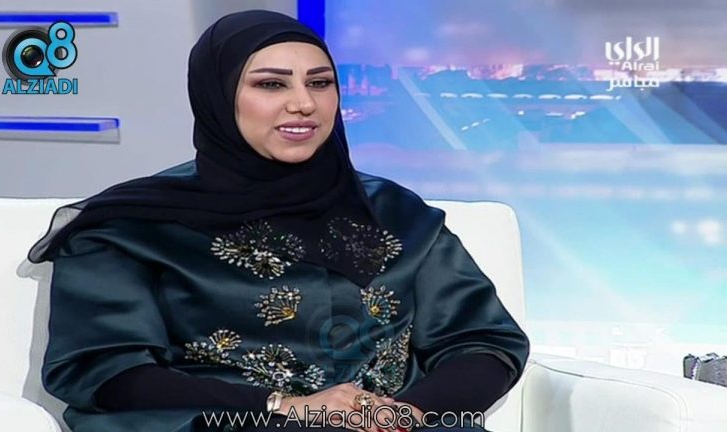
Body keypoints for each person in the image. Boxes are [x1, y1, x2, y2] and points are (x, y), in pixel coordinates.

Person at [28, 9, 530, 432]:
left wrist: (406, 413)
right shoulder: (131, 225)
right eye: (271, 84)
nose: (303, 104)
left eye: (320, 83)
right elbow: (104, 369)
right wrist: (285, 408)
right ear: (217, 95)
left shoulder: (396, 213)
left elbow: (482, 340)